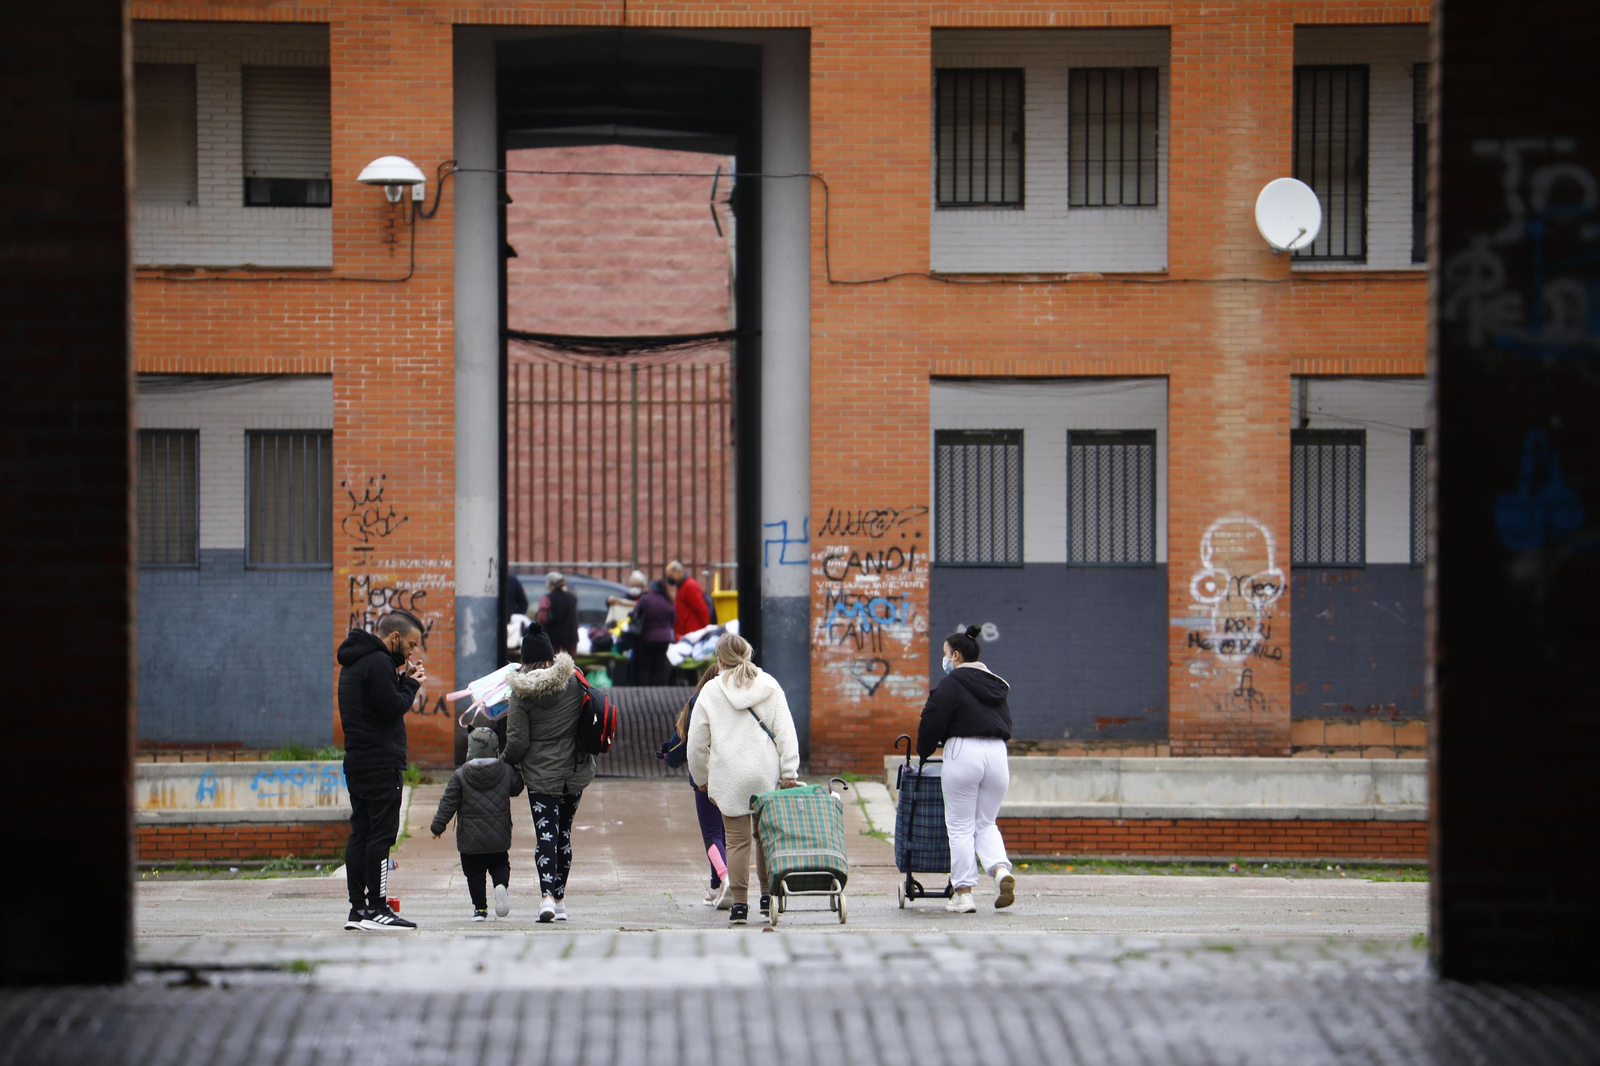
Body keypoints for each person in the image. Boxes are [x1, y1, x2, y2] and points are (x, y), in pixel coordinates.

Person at [687, 633, 800, 926]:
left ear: (720, 660)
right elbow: (786, 732)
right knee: (764, 839)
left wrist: (702, 777)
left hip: (729, 777)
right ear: (748, 655)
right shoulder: (770, 685)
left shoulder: (710, 692)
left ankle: (739, 905)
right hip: (765, 773)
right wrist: (789, 771)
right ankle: (766, 896)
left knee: (736, 842)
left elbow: (696, 742)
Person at [916, 624, 1017, 914]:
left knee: (960, 826)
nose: (944, 659)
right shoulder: (997, 685)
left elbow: (931, 721)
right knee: (986, 823)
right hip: (998, 753)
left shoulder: (952, 684)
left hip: (964, 751)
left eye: (946, 654)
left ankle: (963, 894)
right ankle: (1000, 871)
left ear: (956, 655)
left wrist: (923, 752)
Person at [336, 609, 426, 932]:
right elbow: (392, 706)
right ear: (395, 638)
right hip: (381, 764)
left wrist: (401, 679)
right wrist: (412, 685)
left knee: (361, 831)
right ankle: (377, 907)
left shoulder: (356, 662)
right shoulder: (378, 662)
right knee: (381, 835)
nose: (413, 652)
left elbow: (377, 702)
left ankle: (358, 909)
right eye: (412, 645)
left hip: (358, 762)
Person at [502, 622, 596, 923]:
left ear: (524, 659)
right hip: (574, 770)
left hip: (541, 775)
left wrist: (505, 762)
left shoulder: (521, 693)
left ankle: (545, 898)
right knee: (564, 835)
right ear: (551, 654)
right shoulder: (575, 680)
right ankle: (560, 898)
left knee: (546, 833)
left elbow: (517, 742)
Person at [430, 726, 525, 921]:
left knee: (474, 872)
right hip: (499, 834)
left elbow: (448, 802)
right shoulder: (504, 771)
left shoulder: (461, 775)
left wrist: (437, 826)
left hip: (470, 838)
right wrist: (514, 767)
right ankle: (500, 885)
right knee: (499, 863)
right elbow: (517, 787)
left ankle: (480, 909)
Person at [656, 664, 730, 908]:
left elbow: (684, 746)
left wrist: (667, 756)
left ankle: (725, 878)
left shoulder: (698, 702)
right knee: (727, 834)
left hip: (706, 779)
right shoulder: (735, 699)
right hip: (733, 775)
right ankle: (715, 887)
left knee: (711, 835)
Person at [630, 578, 677, 685]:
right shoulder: (668, 601)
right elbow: (673, 620)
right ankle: (660, 690)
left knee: (646, 666)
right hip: (665, 638)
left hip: (647, 637)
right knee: (660, 665)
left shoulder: (646, 599)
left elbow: (635, 614)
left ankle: (645, 690)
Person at [538, 571, 580, 656]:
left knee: (554, 664)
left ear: (550, 584)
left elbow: (542, 619)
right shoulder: (572, 596)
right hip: (571, 638)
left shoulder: (546, 598)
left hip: (554, 639)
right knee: (570, 664)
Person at [665, 560, 710, 640]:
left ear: (678, 572)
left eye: (670, 575)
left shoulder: (689, 586)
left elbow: (702, 609)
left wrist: (705, 630)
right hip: (686, 633)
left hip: (692, 633)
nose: (669, 578)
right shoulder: (682, 586)